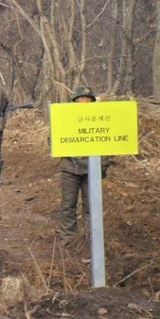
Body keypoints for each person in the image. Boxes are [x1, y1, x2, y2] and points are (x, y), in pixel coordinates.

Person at [58, 86, 110, 243]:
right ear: (74, 101)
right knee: (68, 205)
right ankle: (68, 238)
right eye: (81, 99)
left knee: (91, 206)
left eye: (88, 100)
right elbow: (53, 141)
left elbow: (107, 144)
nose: (84, 102)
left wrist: (103, 166)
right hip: (69, 169)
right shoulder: (64, 118)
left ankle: (91, 239)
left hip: (91, 170)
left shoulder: (100, 120)